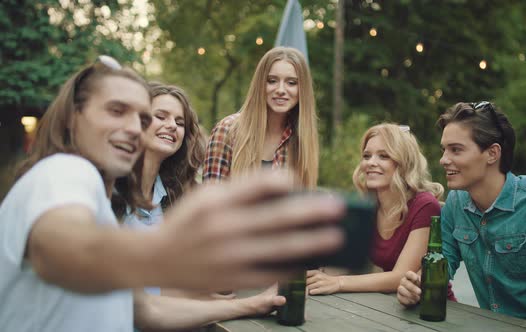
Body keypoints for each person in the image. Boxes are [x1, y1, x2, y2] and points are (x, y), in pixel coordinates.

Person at [0, 56, 346, 331]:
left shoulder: (103, 207)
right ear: (72, 118)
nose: (135, 127)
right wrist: (169, 252)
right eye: (117, 110)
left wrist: (252, 304)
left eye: (141, 117)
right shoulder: (62, 172)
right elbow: (63, 250)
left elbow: (146, 310)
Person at [397, 102, 526, 331]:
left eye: (456, 149)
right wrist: (415, 286)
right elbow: (441, 263)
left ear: (492, 153)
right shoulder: (455, 205)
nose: (443, 159)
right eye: (444, 150)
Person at [117, 82, 288, 329]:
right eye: (160, 116)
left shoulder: (167, 197)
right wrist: (251, 304)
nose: (171, 126)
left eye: (179, 122)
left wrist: (207, 298)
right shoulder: (111, 191)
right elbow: (142, 307)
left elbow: (156, 290)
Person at [307, 123, 454, 299]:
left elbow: (400, 275)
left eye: (383, 156)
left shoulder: (425, 205)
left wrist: (338, 282)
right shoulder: (369, 206)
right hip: (391, 306)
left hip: (432, 305)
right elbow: (342, 262)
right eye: (366, 156)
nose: (371, 163)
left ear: (403, 163)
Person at [203, 46, 318, 188]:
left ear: (302, 90)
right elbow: (212, 200)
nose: (281, 90)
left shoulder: (302, 140)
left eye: (291, 83)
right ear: (260, 85)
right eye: (272, 81)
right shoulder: (227, 131)